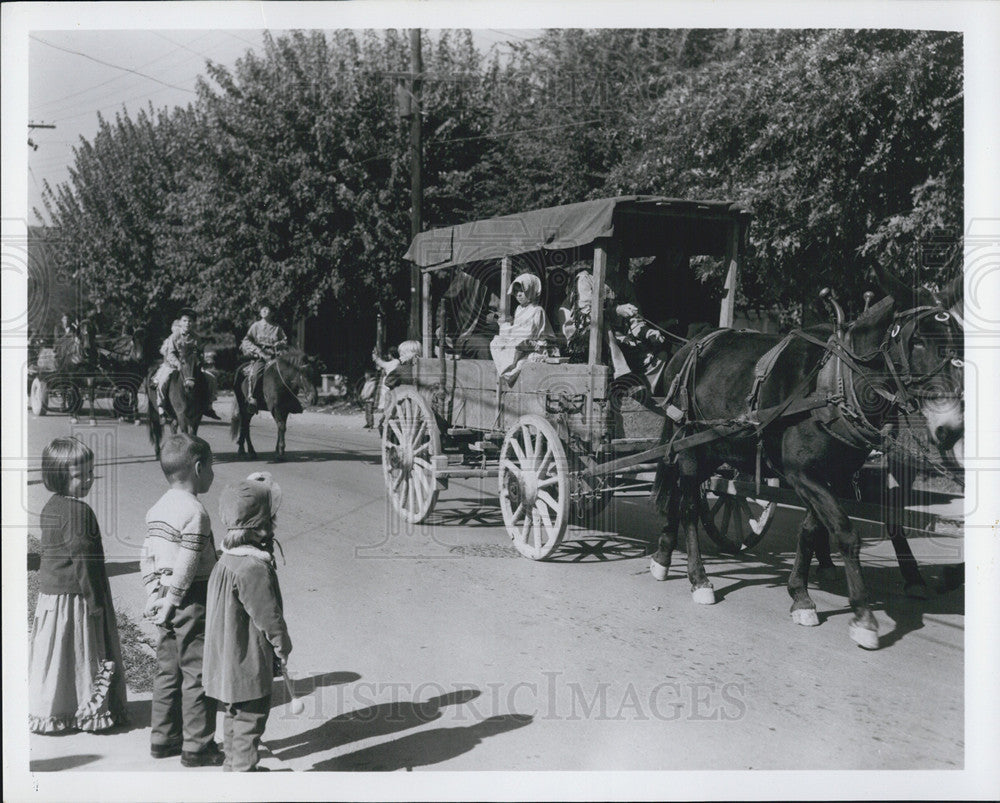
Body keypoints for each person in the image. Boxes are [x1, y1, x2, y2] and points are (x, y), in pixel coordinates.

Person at [29, 437, 128, 733]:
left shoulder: (51, 506)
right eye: (78, 475)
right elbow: (85, 560)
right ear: (59, 476)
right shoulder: (79, 512)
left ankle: (55, 709)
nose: (87, 480)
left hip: (52, 597)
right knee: (83, 653)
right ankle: (87, 710)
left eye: (90, 472)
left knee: (59, 656)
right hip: (76, 596)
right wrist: (96, 601)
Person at [142, 433, 224, 767]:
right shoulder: (196, 512)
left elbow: (146, 554)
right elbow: (188, 562)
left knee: (167, 670)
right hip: (191, 599)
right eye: (212, 467)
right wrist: (175, 598)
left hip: (162, 596)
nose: (213, 474)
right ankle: (197, 745)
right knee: (197, 672)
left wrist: (155, 595)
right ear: (199, 467)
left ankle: (163, 737)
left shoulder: (157, 508)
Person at [204, 474, 292, 773]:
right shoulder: (253, 567)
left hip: (224, 658)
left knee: (233, 714)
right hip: (246, 660)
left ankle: (233, 764)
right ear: (263, 525)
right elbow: (267, 615)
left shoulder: (226, 560)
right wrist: (282, 644)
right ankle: (243, 773)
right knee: (251, 718)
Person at [559, 263, 666, 386]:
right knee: (603, 323)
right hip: (586, 341)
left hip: (621, 341)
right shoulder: (585, 279)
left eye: (617, 252)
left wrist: (647, 332)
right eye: (611, 252)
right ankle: (622, 373)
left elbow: (635, 319)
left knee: (660, 356)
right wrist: (616, 310)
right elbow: (586, 316)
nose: (614, 257)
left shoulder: (622, 283)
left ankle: (643, 395)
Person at [489, 273, 555, 385]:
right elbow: (517, 328)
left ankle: (510, 370)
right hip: (520, 340)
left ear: (531, 291)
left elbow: (528, 332)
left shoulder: (537, 310)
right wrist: (506, 327)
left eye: (522, 291)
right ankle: (506, 369)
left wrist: (507, 328)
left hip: (533, 345)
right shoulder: (519, 309)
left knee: (518, 350)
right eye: (515, 291)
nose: (518, 295)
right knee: (495, 342)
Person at [153, 309, 219, 420]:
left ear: (193, 323)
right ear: (180, 322)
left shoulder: (196, 338)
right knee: (162, 381)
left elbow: (199, 354)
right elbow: (171, 353)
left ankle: (208, 406)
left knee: (211, 378)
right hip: (174, 366)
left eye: (190, 321)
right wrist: (178, 364)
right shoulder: (174, 337)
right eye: (184, 321)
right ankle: (161, 406)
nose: (187, 323)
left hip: (191, 367)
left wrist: (202, 361)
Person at [240, 303, 289, 415]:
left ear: (272, 313)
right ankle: (254, 399)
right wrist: (258, 351)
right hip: (261, 356)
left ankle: (288, 399)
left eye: (267, 310)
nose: (264, 311)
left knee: (286, 372)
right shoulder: (256, 326)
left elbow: (285, 341)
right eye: (263, 309)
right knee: (257, 373)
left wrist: (279, 343)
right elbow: (246, 340)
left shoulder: (277, 328)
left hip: (274, 356)